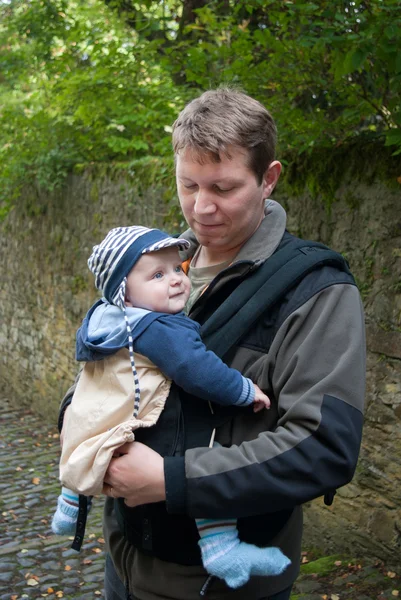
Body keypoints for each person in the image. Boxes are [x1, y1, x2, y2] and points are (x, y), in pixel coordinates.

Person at [58, 88, 365, 600]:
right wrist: (82, 422)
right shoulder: (150, 270)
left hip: (221, 582)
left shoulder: (317, 291)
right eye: (188, 184)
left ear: (268, 179)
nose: (201, 207)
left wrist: (173, 479)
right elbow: (104, 374)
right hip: (125, 561)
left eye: (223, 188)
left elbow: (324, 447)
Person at [52, 225, 290, 589]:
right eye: (158, 275)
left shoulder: (103, 318)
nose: (177, 280)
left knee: (86, 435)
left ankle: (70, 503)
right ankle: (220, 545)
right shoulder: (161, 327)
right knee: (200, 454)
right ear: (125, 294)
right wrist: (243, 390)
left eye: (178, 269)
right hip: (141, 415)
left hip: (103, 411)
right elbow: (198, 370)